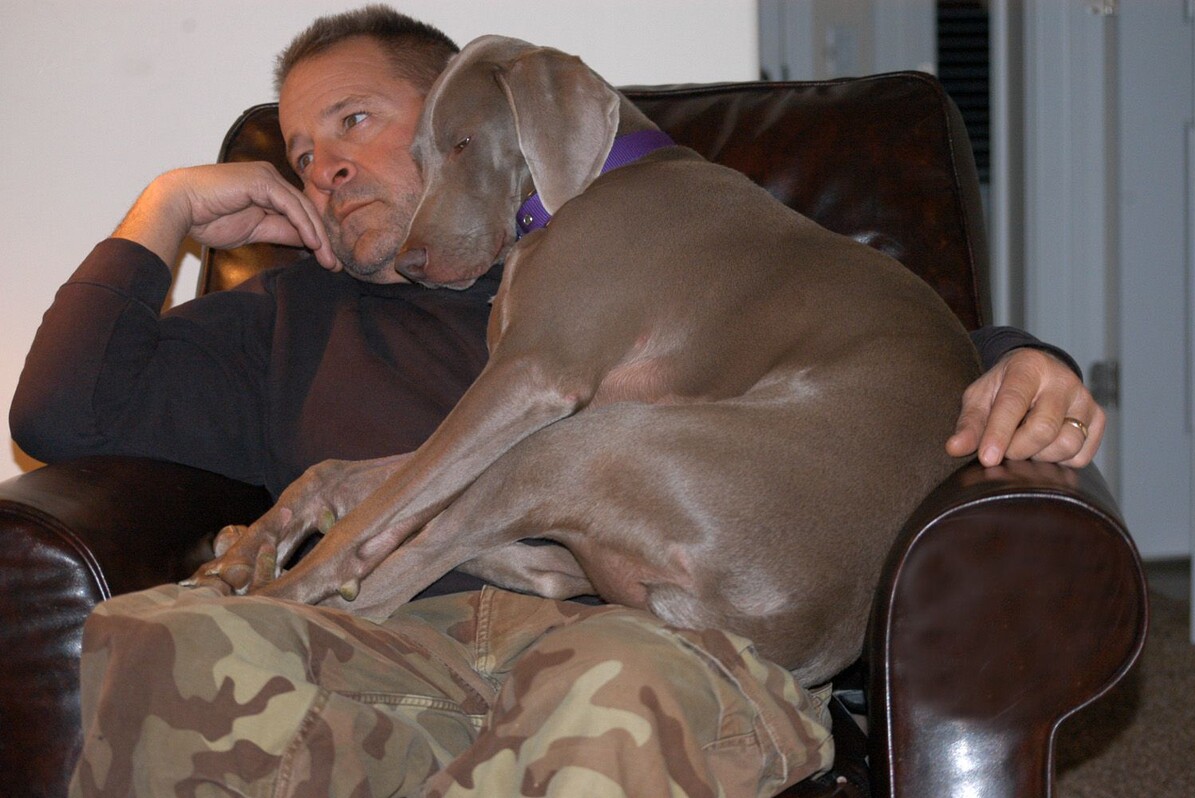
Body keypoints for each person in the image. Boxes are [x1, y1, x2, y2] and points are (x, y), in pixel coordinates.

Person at [10, 6, 1105, 797]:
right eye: (303, 155)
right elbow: (61, 418)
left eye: (356, 120)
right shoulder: (285, 318)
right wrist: (163, 210)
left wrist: (1019, 356)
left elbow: (860, 351)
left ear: (467, 118)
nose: (327, 167)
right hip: (401, 648)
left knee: (610, 680)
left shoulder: (645, 230)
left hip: (637, 635)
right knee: (153, 638)